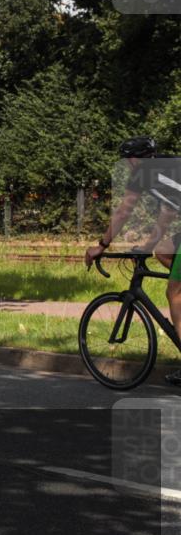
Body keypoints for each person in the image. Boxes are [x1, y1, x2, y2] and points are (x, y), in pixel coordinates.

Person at [84, 136, 181, 386]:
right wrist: (147, 248)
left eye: (127, 159)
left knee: (175, 293)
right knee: (164, 252)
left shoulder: (142, 173)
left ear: (134, 159)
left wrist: (102, 245)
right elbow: (168, 213)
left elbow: (123, 212)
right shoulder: (165, 166)